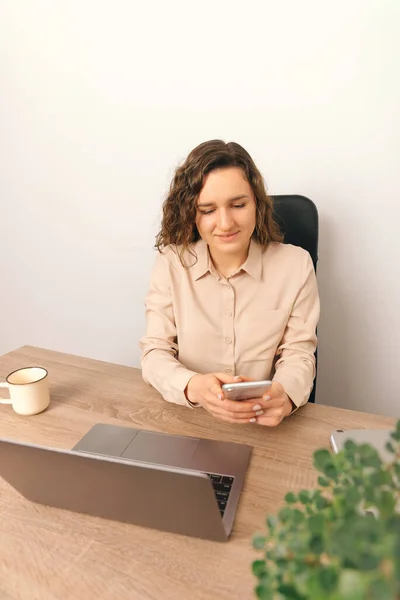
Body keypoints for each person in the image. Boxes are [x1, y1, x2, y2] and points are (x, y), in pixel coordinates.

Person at [139, 140, 320, 427]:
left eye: (238, 205)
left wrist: (284, 397)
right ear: (191, 213)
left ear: (257, 204)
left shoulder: (296, 265)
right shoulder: (172, 263)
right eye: (208, 210)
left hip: (261, 425)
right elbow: (154, 353)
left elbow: (299, 354)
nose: (225, 223)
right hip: (187, 419)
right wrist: (194, 386)